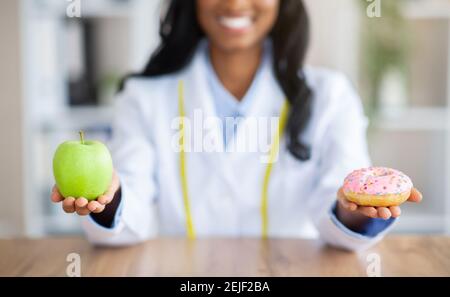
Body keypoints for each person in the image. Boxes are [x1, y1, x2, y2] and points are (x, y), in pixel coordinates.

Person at [51, 0, 422, 251]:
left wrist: (354, 209)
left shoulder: (331, 95)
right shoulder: (142, 97)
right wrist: (108, 198)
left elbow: (337, 195)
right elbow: (133, 211)